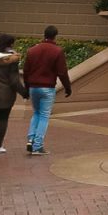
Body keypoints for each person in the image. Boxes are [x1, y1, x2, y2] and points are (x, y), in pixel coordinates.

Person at [22, 25, 71, 156]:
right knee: (44, 116)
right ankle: (37, 146)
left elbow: (26, 72)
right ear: (55, 36)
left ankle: (30, 140)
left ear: (44, 35)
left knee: (36, 113)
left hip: (33, 87)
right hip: (47, 88)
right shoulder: (57, 51)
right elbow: (62, 72)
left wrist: (27, 89)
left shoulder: (32, 50)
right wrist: (67, 87)